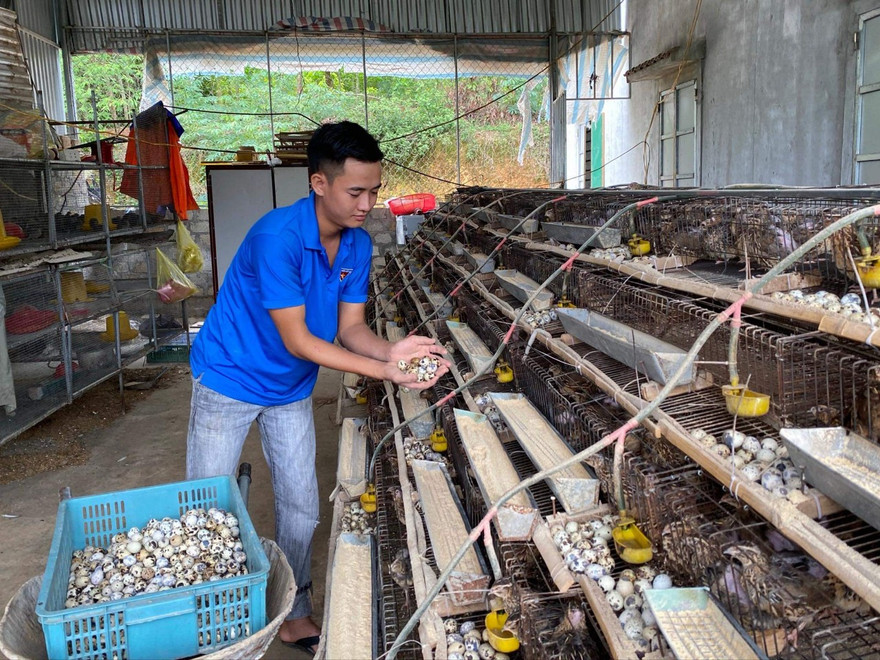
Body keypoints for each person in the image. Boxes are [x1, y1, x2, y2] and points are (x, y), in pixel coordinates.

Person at [186, 120, 448, 655]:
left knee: (303, 505)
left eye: (374, 190)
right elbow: (302, 339)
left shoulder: (354, 245)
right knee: (207, 502)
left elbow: (351, 329)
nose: (367, 203)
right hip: (229, 379)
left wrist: (391, 351)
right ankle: (208, 612)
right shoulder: (276, 238)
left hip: (288, 387)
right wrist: (385, 373)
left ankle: (294, 610)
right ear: (319, 183)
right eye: (356, 191)